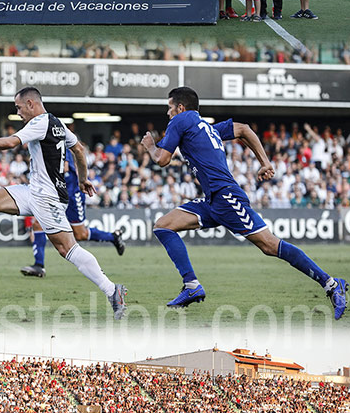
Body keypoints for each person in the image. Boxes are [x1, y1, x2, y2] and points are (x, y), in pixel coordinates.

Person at [140, 86, 347, 318]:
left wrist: (150, 146)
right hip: (212, 200)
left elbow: (162, 159)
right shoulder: (206, 128)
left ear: (180, 107)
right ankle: (191, 286)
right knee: (163, 225)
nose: (167, 113)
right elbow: (244, 129)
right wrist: (264, 162)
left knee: (269, 245)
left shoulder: (181, 120)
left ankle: (331, 283)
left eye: (169, 108)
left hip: (226, 197)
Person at [0, 87, 127, 320]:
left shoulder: (41, 123)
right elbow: (78, 148)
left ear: (31, 104)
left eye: (18, 107)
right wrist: (83, 178)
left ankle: (112, 290)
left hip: (48, 197)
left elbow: (10, 142)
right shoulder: (57, 123)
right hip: (34, 191)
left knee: (68, 248)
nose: (17, 113)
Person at [20, 146, 125, 279]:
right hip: (56, 193)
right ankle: (39, 265)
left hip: (72, 194)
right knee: (37, 225)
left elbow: (64, 168)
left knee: (80, 234)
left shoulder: (57, 142)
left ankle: (113, 237)